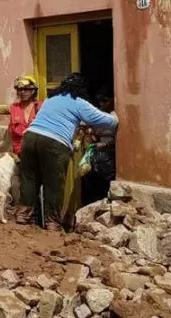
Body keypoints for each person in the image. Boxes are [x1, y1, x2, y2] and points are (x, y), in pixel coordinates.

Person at [17, 73, 118, 231]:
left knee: (30, 179)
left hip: (30, 138)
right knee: (54, 184)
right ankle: (52, 223)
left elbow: (59, 116)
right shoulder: (79, 103)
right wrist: (114, 115)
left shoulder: (51, 99)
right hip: (54, 143)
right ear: (82, 89)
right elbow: (108, 122)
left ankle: (23, 216)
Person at [81, 89, 117, 205]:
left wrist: (106, 144)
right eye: (100, 101)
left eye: (105, 101)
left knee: (106, 183)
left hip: (110, 155)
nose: (102, 104)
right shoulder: (99, 114)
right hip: (99, 154)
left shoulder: (115, 115)